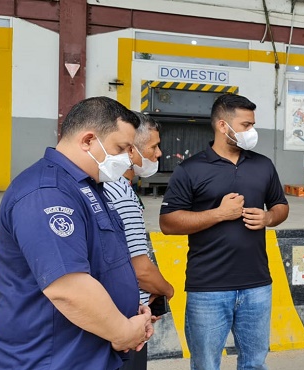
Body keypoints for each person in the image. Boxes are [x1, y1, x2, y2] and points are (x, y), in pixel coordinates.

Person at [0, 96, 153, 369]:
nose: (127, 159)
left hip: (89, 353)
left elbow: (103, 262)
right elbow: (67, 287)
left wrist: (130, 309)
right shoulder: (47, 193)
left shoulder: (89, 188)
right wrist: (123, 332)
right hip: (50, 359)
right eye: (121, 148)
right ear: (88, 140)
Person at [159, 94, 289, 370]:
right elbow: (168, 222)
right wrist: (219, 214)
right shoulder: (191, 169)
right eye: (245, 125)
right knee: (206, 364)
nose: (251, 132)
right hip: (208, 288)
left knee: (254, 363)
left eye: (252, 124)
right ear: (222, 126)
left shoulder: (263, 165)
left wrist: (268, 217)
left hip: (257, 285)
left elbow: (281, 205)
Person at [104, 111, 175, 370]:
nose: (158, 154)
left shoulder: (102, 187)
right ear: (130, 149)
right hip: (130, 316)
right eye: (154, 146)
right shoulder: (122, 194)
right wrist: (167, 290)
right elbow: (140, 268)